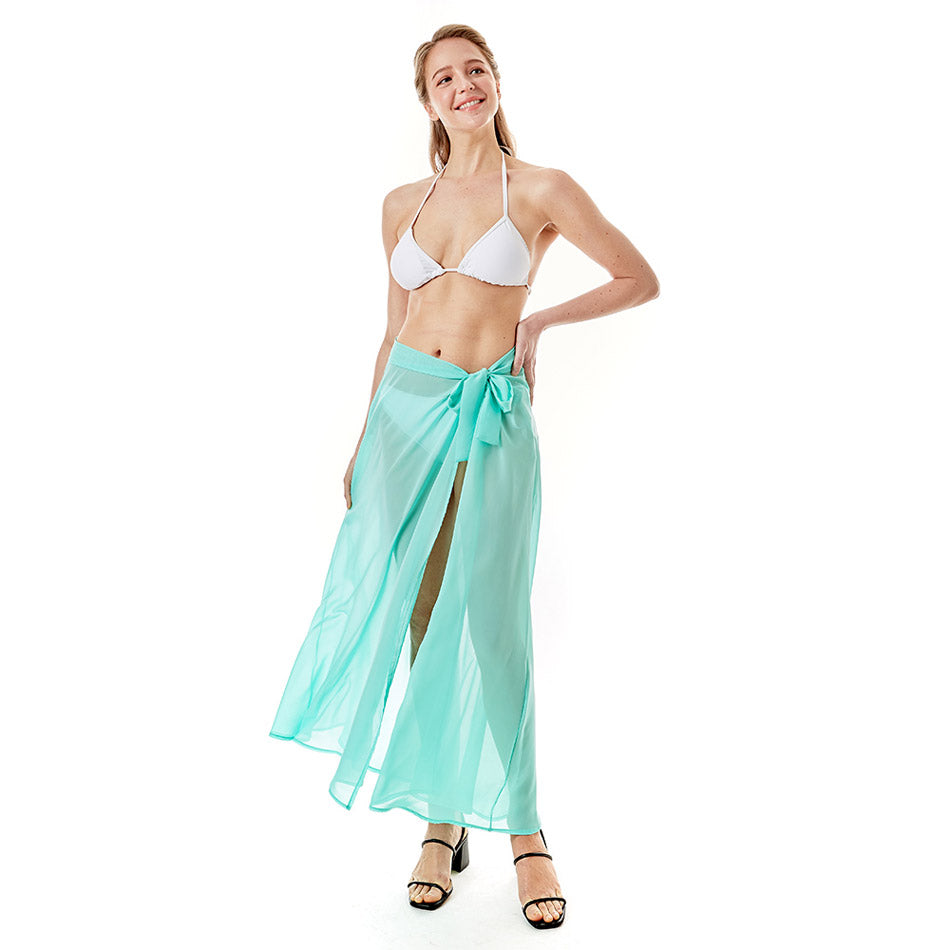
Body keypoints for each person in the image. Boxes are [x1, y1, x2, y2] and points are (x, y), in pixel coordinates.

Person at [269, 24, 659, 930]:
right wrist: (365, 436)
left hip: (489, 418)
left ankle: (526, 831)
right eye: (443, 77)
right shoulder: (400, 202)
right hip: (403, 418)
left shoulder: (542, 189)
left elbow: (638, 278)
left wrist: (538, 323)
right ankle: (442, 820)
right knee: (420, 613)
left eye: (474, 69)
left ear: (495, 81)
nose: (462, 86)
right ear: (428, 100)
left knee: (494, 625)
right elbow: (392, 326)